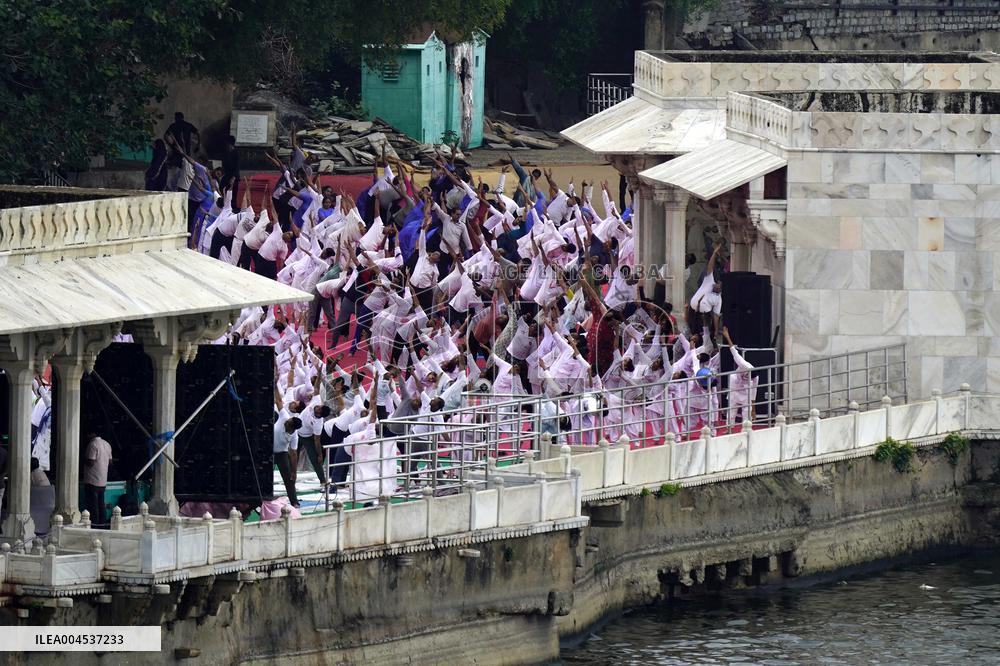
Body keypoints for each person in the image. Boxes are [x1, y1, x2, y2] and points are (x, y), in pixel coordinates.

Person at [83, 433, 112, 525]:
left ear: (91, 434)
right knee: (101, 504)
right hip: (102, 480)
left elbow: (91, 462)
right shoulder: (107, 444)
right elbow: (110, 462)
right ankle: (102, 524)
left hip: (92, 480)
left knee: (93, 506)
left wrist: (82, 459)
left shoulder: (92, 444)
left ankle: (94, 525)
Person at [274, 416, 301, 508]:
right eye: (288, 420)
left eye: (289, 423)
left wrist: (294, 472)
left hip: (282, 454)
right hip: (268, 452)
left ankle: (294, 501)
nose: (286, 421)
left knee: (289, 479)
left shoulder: (294, 436)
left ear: (292, 428)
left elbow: (294, 454)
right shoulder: (284, 416)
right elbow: (280, 405)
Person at [222, 135, 241, 203]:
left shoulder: (236, 153)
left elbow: (237, 166)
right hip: (227, 175)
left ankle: (233, 206)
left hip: (234, 177)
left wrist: (233, 178)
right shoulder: (226, 153)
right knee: (225, 192)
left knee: (233, 194)